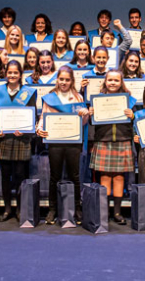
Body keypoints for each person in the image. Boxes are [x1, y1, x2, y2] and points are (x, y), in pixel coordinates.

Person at [37, 66, 90, 225]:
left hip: (73, 142)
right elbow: (43, 117)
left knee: (75, 176)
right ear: (57, 80)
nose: (64, 82)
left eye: (67, 80)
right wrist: (39, 129)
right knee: (55, 176)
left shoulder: (78, 97)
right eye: (61, 79)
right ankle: (52, 209)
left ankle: (77, 208)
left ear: (72, 81)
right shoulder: (49, 98)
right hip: (55, 142)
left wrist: (85, 115)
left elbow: (84, 123)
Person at [0, 61, 36, 222]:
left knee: (20, 175)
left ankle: (20, 208)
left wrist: (26, 129)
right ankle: (7, 208)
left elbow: (32, 115)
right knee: (5, 175)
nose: (12, 75)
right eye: (10, 72)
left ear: (20, 74)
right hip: (3, 140)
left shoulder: (28, 92)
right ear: (5, 73)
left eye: (15, 73)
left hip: (21, 140)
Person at [88, 70, 136, 225]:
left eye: (116, 80)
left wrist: (132, 117)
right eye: (110, 80)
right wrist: (92, 115)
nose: (113, 83)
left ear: (121, 82)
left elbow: (135, 123)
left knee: (119, 177)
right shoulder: (97, 100)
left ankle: (117, 212)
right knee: (105, 177)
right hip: (104, 140)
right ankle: (105, 211)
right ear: (105, 82)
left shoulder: (129, 101)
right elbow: (91, 124)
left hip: (122, 140)